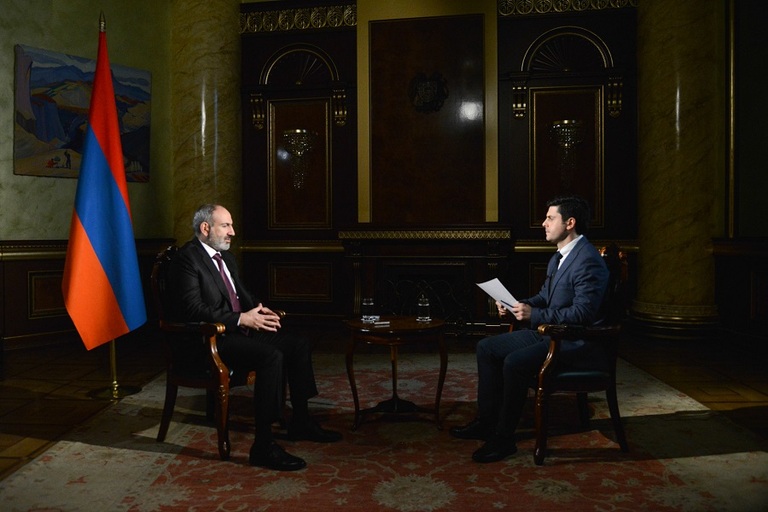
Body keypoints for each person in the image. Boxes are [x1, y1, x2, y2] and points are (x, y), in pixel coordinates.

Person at [168, 203, 341, 471]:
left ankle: (301, 421)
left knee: (298, 344)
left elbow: (242, 294)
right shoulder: (186, 259)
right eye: (226, 225)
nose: (232, 232)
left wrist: (259, 309)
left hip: (239, 333)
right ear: (205, 228)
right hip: (210, 340)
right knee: (271, 356)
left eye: (231, 225)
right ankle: (263, 445)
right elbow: (192, 309)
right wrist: (241, 319)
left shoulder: (226, 258)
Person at [450, 196, 609, 463]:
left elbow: (582, 315)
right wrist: (517, 305)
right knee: (486, 348)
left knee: (514, 362)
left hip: (575, 341)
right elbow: (545, 297)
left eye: (550, 218)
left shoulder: (588, 260)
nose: (544, 223)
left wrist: (534, 315)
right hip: (551, 332)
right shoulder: (559, 256)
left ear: (570, 223)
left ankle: (504, 438)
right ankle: (486, 422)